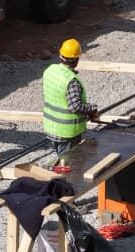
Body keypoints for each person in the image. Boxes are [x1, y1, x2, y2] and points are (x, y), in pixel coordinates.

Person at [41, 38, 98, 173]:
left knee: (62, 159)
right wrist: (92, 108)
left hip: (51, 127)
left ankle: (57, 175)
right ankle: (62, 181)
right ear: (76, 60)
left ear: (60, 55)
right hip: (67, 131)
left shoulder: (50, 71)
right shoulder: (71, 81)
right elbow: (75, 107)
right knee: (67, 166)